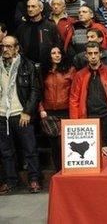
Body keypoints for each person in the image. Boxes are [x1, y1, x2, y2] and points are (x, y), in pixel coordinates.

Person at [0, 36, 41, 194]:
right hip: (2, 114)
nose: (5, 50)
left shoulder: (27, 65)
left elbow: (35, 91)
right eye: (3, 46)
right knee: (6, 151)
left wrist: (27, 111)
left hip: (21, 113)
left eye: (9, 47)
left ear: (17, 48)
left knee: (30, 149)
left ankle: (34, 179)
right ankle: (11, 181)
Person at [69, 42, 107, 146]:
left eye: (95, 53)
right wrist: (75, 122)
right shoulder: (79, 75)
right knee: (91, 150)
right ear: (86, 55)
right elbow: (74, 100)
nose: (93, 56)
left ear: (100, 54)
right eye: (90, 53)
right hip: (88, 117)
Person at [39, 46, 76, 171]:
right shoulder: (43, 71)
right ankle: (58, 171)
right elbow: (38, 91)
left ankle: (68, 170)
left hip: (66, 111)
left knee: (66, 143)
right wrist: (41, 109)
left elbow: (75, 92)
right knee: (55, 146)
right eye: (53, 53)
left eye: (59, 52)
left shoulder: (70, 70)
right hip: (49, 112)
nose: (57, 55)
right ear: (48, 56)